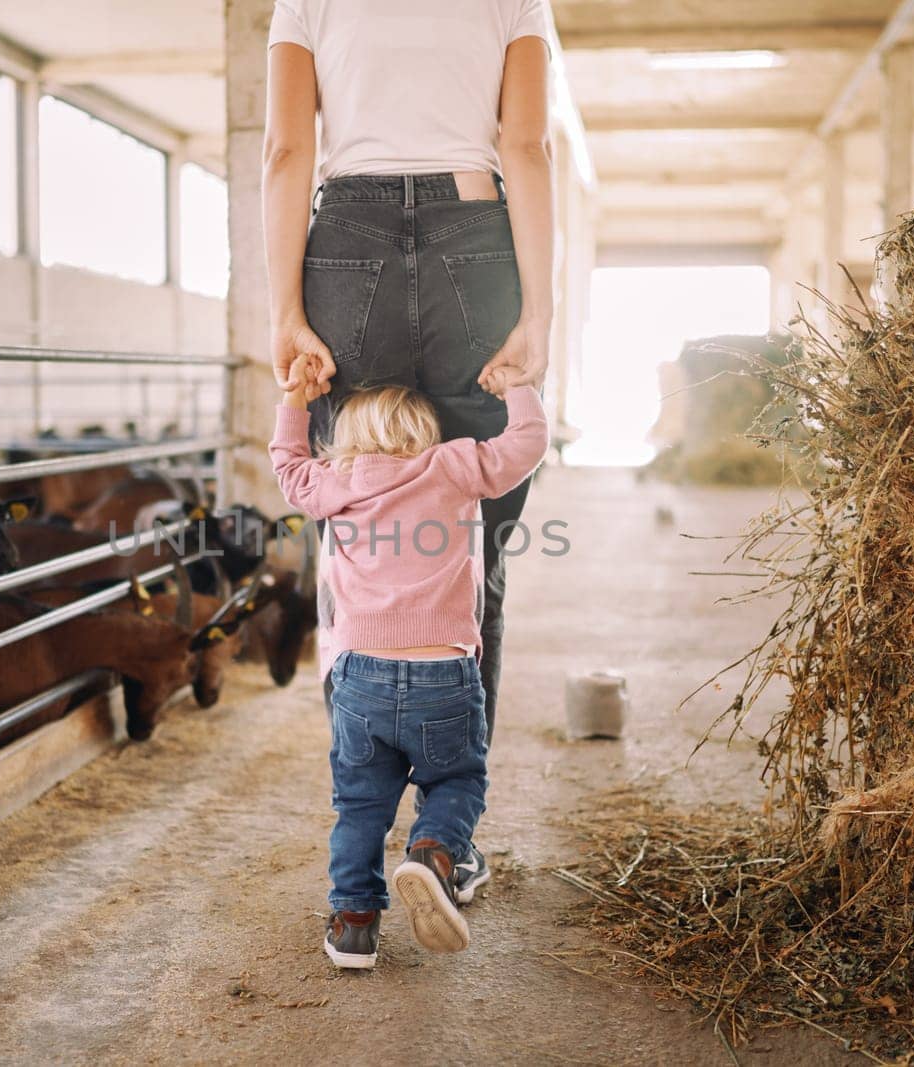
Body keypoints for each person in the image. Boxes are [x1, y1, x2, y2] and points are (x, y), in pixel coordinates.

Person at [262, 0, 556, 904]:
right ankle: (445, 838)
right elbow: (528, 148)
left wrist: (285, 313)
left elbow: (285, 152)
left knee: (350, 533)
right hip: (478, 241)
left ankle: (360, 824)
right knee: (477, 561)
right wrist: (538, 314)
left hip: (345, 246)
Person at [270, 353, 548, 967]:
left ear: (346, 439)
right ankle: (434, 853)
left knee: (360, 805)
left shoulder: (335, 480)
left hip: (359, 674)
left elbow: (288, 467)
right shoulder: (452, 466)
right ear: (426, 432)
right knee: (456, 781)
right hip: (444, 670)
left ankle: (354, 925)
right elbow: (527, 443)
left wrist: (295, 398)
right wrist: (520, 387)